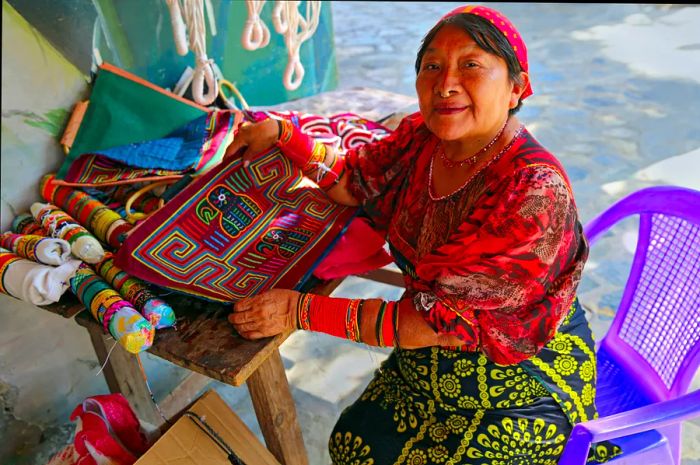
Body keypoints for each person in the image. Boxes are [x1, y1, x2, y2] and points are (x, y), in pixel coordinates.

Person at [226, 4, 621, 464]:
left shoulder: (532, 193)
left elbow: (426, 324)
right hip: (435, 352)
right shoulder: (423, 140)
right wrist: (282, 136)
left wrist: (299, 310)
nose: (446, 83)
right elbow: (354, 182)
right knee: (353, 444)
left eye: (471, 65)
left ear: (515, 87)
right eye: (432, 65)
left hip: (521, 373)